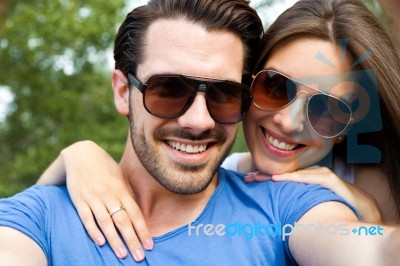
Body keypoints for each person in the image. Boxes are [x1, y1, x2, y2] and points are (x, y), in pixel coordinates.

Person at [2, 0, 400, 265]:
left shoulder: (290, 200)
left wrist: (367, 210)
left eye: (224, 93)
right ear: (124, 91)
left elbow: (372, 249)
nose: (198, 121)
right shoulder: (37, 214)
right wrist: (78, 154)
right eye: (169, 89)